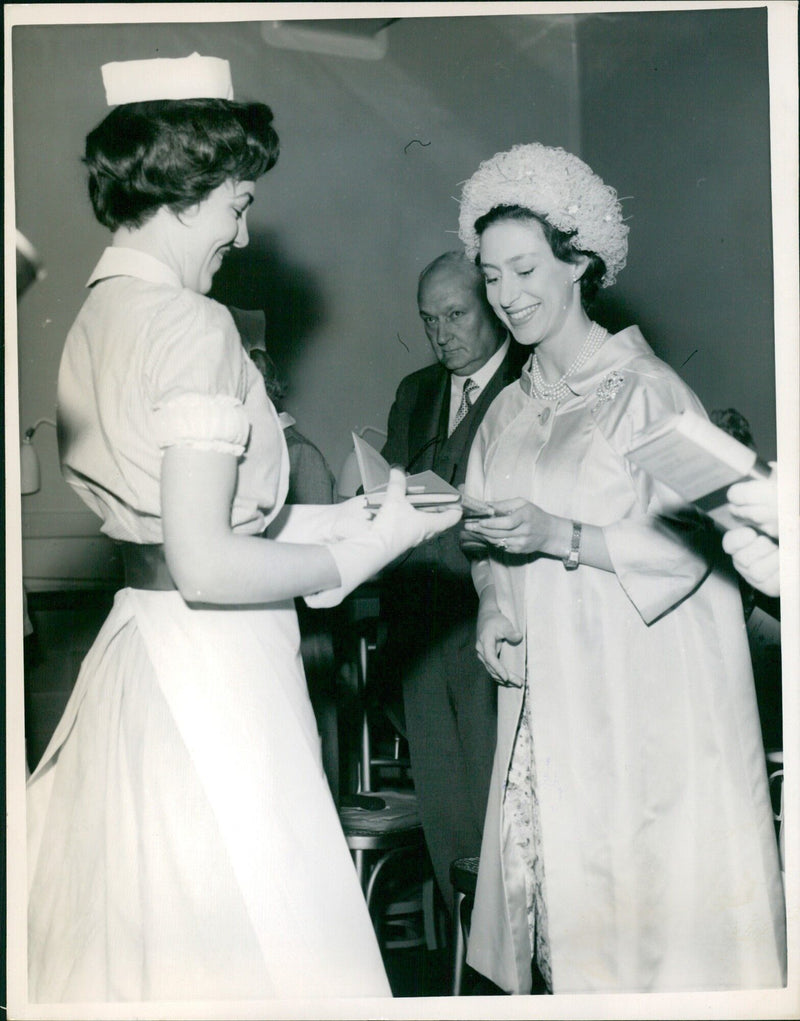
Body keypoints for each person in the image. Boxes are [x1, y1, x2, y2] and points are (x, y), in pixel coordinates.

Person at [25, 54, 460, 1003]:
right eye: (235, 202)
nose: (243, 229)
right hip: (215, 668)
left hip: (144, 651)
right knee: (260, 930)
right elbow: (211, 560)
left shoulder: (99, 317)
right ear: (185, 195)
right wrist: (365, 548)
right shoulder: (193, 325)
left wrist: (351, 510)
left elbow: (182, 516)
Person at [456, 143, 786, 994]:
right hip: (547, 691)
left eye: (526, 269)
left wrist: (559, 534)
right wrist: (494, 601)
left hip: (642, 692)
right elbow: (486, 536)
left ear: (580, 263)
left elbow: (690, 547)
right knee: (563, 905)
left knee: (641, 908)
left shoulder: (646, 388)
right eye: (492, 276)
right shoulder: (510, 410)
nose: (508, 294)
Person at [378, 252, 526, 922]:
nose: (441, 333)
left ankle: (509, 962)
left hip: (492, 622)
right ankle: (466, 959)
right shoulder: (414, 392)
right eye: (429, 319)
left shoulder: (532, 386)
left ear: (494, 309)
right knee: (444, 807)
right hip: (419, 623)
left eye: (456, 314)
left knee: (499, 801)